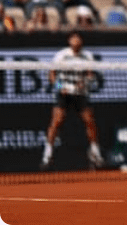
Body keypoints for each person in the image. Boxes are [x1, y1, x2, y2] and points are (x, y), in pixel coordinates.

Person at [41, 32, 105, 169]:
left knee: (89, 121)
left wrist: (85, 83)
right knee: (57, 121)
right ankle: (47, 154)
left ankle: (95, 152)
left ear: (81, 42)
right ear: (70, 41)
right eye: (74, 38)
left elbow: (90, 74)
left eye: (78, 38)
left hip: (80, 94)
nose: (76, 41)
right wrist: (60, 87)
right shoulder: (61, 55)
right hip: (63, 93)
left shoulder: (87, 56)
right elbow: (51, 74)